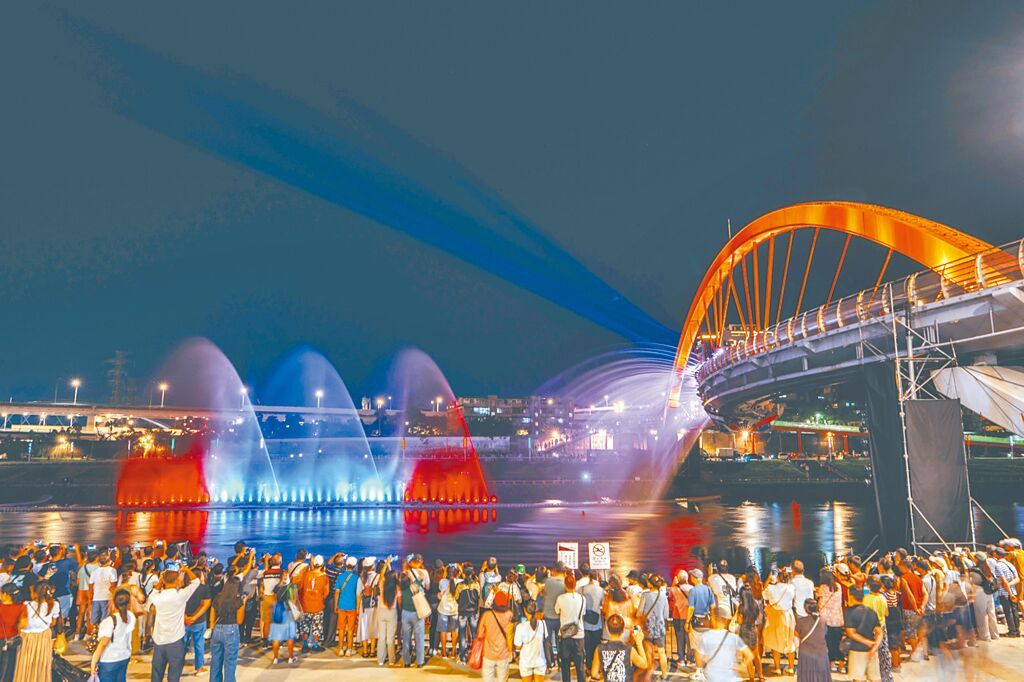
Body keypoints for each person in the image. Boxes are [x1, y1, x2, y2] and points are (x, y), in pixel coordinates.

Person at [146, 565, 202, 682]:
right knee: (174, 675)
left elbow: (151, 597)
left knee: (156, 674)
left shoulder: (156, 597)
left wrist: (161, 581)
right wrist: (186, 569)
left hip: (159, 640)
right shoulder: (181, 595)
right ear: (177, 581)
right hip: (176, 640)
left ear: (164, 581)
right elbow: (196, 581)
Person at [695, 601, 753, 682]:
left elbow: (698, 659)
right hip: (731, 678)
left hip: (712, 678)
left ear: (713, 619)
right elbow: (749, 655)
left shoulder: (705, 637)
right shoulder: (733, 637)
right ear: (726, 621)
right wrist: (740, 667)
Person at [14, 582, 60, 682]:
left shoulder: (26, 605)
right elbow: (53, 623)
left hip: (26, 637)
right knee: (41, 663)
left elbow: (21, 623)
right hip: (43, 637)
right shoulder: (54, 604)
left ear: (34, 592)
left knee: (25, 662)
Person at [208, 568, 245, 682]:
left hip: (217, 630)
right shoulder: (238, 601)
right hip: (231, 630)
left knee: (215, 662)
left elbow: (212, 619)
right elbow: (239, 621)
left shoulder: (217, 598)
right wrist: (243, 603)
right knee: (229, 663)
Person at [90, 589, 135, 682]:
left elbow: (103, 643)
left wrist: (94, 660)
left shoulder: (109, 621)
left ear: (113, 603)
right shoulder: (130, 617)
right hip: (124, 657)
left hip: (109, 660)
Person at [590, 614, 647, 682]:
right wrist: (639, 643)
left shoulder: (599, 649)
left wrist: (603, 676)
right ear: (623, 630)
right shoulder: (629, 649)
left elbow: (594, 674)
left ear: (607, 629)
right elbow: (644, 664)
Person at [844, 585, 882, 682]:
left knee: (857, 678)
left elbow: (851, 633)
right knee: (875, 679)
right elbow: (879, 632)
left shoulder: (849, 612)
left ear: (851, 597)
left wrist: (867, 642)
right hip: (872, 650)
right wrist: (875, 645)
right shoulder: (871, 612)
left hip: (857, 649)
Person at [762, 569, 796, 676]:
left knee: (775, 641)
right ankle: (791, 667)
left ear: (777, 577)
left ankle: (777, 668)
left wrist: (768, 580)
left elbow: (764, 595)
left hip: (775, 615)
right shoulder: (791, 588)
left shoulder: (771, 588)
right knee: (790, 640)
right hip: (788, 615)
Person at [553, 571, 586, 682]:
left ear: (565, 585)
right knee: (580, 665)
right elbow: (583, 614)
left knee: (565, 664)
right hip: (579, 634)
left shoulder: (560, 598)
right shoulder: (582, 599)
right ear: (575, 585)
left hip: (565, 635)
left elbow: (557, 611)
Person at [636, 574, 669, 681]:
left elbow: (639, 612)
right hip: (659, 628)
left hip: (647, 627)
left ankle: (648, 675)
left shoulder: (645, 595)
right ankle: (664, 676)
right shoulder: (663, 596)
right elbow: (666, 615)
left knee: (648, 652)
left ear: (650, 584)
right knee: (661, 652)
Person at [400, 555, 430, 668]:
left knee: (406, 638)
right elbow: (427, 587)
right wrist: (420, 579)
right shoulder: (423, 573)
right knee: (419, 637)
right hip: (418, 610)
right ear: (420, 562)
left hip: (405, 611)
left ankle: (406, 661)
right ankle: (420, 661)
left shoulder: (404, 575)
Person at [736, 567, 765, 682]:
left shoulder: (741, 608)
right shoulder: (755, 606)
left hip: (744, 630)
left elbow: (739, 620)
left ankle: (752, 678)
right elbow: (757, 617)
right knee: (756, 655)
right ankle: (761, 676)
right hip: (753, 628)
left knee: (747, 656)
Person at [793, 598, 831, 682]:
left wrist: (797, 648)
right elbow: (824, 633)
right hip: (821, 652)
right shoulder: (823, 620)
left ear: (805, 609)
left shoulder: (800, 621)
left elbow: (796, 636)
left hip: (806, 653)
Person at [475, 598, 512, 682]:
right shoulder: (509, 614)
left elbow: (480, 634)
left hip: (488, 653)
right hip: (503, 654)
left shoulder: (487, 615)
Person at [182, 569, 211, 676]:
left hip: (184, 621)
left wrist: (185, 617)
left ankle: (177, 666)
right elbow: (205, 604)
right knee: (199, 644)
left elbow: (179, 604)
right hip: (199, 621)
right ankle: (199, 668)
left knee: (182, 644)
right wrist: (194, 618)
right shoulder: (204, 588)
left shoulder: (183, 588)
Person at [298, 555, 329, 653]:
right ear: (322, 564)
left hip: (305, 605)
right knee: (316, 626)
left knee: (305, 626)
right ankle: (315, 645)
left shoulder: (305, 575)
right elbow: (326, 593)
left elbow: (300, 588)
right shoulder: (324, 577)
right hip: (318, 605)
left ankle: (305, 645)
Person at [539, 562, 566, 668]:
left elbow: (542, 594)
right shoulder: (565, 583)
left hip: (548, 616)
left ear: (554, 570)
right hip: (560, 616)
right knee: (561, 641)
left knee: (547, 640)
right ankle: (561, 663)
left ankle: (549, 663)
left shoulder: (547, 582)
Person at [513, 600, 548, 682]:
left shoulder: (520, 627)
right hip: (540, 661)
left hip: (526, 662)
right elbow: (545, 639)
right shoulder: (543, 624)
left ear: (525, 610)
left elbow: (517, 647)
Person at [333, 556, 360, 656]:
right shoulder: (356, 578)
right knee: (350, 630)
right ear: (354, 566)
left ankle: (340, 649)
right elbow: (357, 594)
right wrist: (358, 608)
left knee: (341, 629)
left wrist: (335, 605)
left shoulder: (340, 576)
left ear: (345, 565)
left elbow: (337, 592)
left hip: (341, 605)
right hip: (352, 606)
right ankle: (349, 649)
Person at [268, 579, 298, 665]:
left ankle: (275, 658)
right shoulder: (292, 587)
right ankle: (290, 658)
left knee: (276, 637)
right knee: (289, 637)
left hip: (277, 611)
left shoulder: (277, 587)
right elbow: (294, 600)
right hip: (288, 612)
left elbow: (274, 597)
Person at [375, 563, 400, 666]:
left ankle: (380, 660)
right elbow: (399, 600)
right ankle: (391, 660)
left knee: (381, 637)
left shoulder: (382, 584)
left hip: (381, 611)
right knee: (390, 638)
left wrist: (386, 565)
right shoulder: (396, 588)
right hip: (392, 612)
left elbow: (381, 576)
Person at [90, 552, 119, 638]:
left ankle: (94, 636)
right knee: (105, 619)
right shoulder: (112, 571)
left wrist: (90, 598)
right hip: (107, 597)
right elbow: (113, 586)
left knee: (94, 619)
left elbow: (91, 586)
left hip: (96, 598)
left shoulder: (94, 571)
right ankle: (103, 636)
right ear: (108, 560)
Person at [580, 569, 604, 671]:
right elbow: (602, 604)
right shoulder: (601, 590)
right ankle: (595, 667)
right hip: (597, 622)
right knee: (596, 646)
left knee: (587, 647)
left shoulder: (582, 589)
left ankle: (588, 666)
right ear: (597, 578)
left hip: (585, 622)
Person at [257, 554, 283, 647]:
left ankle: (265, 641)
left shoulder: (264, 572)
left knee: (267, 621)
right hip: (276, 598)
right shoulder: (282, 572)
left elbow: (255, 573)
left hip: (266, 598)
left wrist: (263, 562)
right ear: (280, 562)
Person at [456, 567, 481, 662]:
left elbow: (456, 598)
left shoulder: (460, 585)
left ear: (464, 573)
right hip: (473, 611)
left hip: (462, 612)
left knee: (462, 634)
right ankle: (475, 655)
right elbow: (478, 596)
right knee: (474, 634)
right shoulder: (476, 584)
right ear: (472, 573)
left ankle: (462, 656)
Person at [0, 584, 25, 682]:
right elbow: (23, 624)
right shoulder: (21, 606)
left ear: (6, 594)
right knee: (9, 668)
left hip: (2, 640)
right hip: (13, 641)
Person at [666, 569, 689, 669]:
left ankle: (681, 659)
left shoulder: (673, 589)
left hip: (677, 616)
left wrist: (674, 584)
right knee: (689, 638)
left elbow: (669, 600)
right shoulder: (691, 588)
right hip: (688, 616)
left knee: (679, 638)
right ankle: (690, 659)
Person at [708, 561, 737, 628]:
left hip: (719, 611)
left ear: (717, 569)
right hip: (731, 611)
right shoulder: (732, 578)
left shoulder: (712, 578)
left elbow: (710, 593)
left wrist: (709, 574)